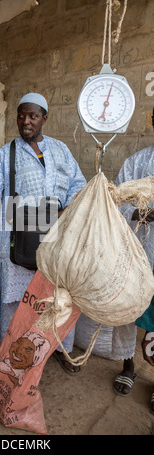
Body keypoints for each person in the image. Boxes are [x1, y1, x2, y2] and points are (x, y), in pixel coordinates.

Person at [0, 92, 86, 374]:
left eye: (33, 116)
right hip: (18, 237)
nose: (26, 121)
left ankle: (60, 348)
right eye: (21, 115)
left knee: (59, 297)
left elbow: (78, 184)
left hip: (57, 236)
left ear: (45, 118)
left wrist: (65, 211)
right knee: (14, 301)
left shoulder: (60, 150)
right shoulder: (5, 153)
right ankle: (11, 352)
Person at [111, 142, 154, 399]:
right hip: (137, 252)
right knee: (127, 310)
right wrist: (139, 213)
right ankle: (128, 366)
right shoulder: (136, 162)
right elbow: (116, 199)